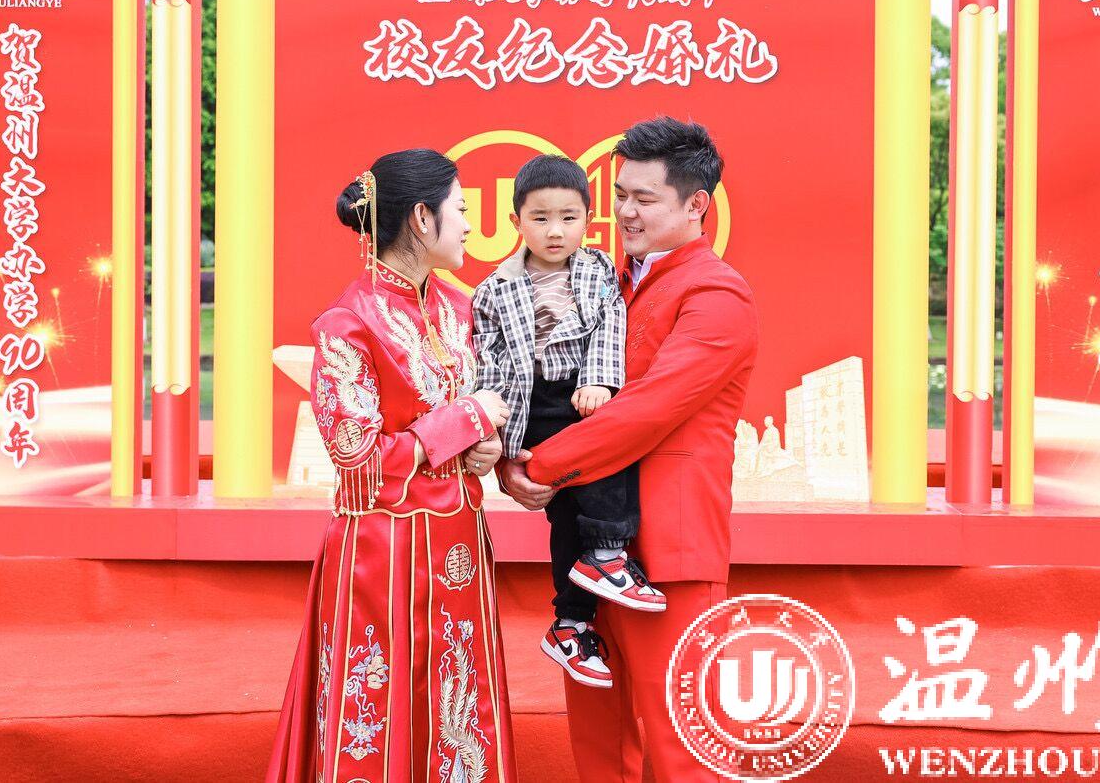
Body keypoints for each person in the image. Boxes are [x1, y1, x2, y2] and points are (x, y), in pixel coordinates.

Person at [499, 117, 759, 783]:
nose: (624, 212)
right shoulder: (595, 282)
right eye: (619, 194)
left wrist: (537, 466)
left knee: (683, 749)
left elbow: (647, 411)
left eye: (645, 198)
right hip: (590, 550)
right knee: (598, 744)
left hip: (668, 554)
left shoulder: (716, 293)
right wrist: (505, 450)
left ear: (696, 204)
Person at [267, 148, 519, 783]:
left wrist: (485, 447)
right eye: (461, 209)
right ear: (421, 219)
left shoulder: (459, 309)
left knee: (460, 709)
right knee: (380, 715)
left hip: (459, 546)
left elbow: (475, 422)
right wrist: (463, 421)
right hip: (383, 554)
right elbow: (357, 461)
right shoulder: (346, 324)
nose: (470, 225)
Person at [471, 155, 664, 692]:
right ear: (516, 222)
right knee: (566, 509)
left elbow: (609, 324)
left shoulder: (598, 269)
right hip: (531, 404)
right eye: (540, 218)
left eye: (568, 217)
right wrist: (500, 435)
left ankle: (585, 598)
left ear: (588, 220)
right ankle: (581, 603)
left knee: (598, 479)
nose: (554, 231)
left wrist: (599, 381)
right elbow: (490, 363)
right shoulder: (494, 288)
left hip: (582, 393)